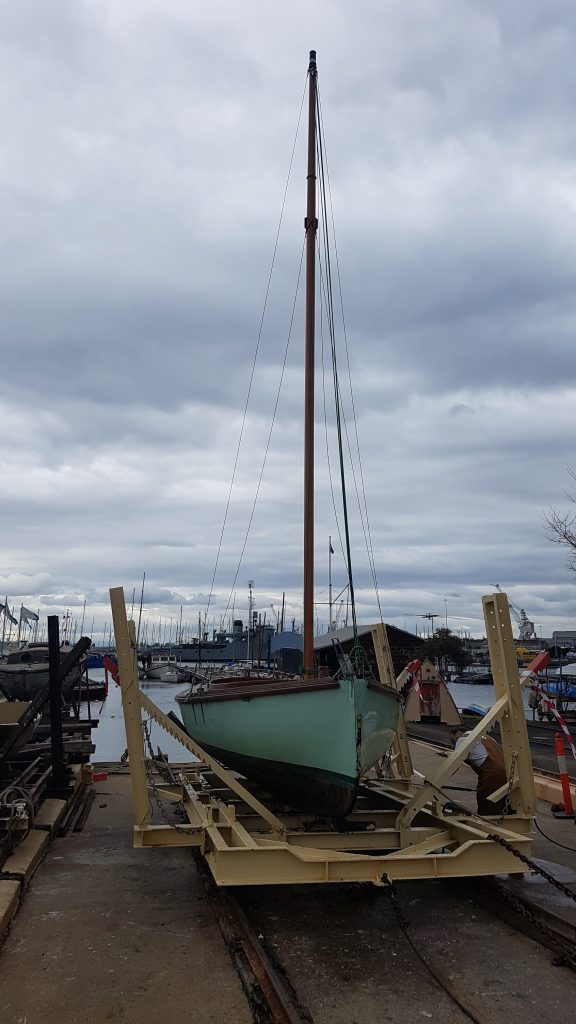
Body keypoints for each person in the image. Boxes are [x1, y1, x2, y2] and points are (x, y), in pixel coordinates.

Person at [449, 727, 508, 816]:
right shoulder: (485, 737)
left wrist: (437, 782)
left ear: (458, 733)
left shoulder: (462, 739)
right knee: (501, 805)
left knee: (486, 806)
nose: (453, 743)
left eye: (453, 739)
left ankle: (487, 828)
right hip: (507, 772)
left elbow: (456, 763)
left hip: (492, 774)